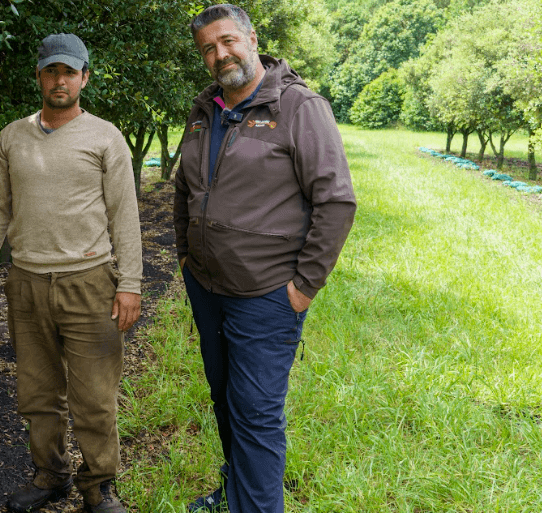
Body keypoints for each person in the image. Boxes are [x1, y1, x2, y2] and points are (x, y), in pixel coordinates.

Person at [174, 4, 357, 512]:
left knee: (255, 413)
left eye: (228, 40)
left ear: (252, 38)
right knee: (226, 401)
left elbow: (336, 201)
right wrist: (187, 257)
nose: (220, 54)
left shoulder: (298, 107)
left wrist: (302, 288)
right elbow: (185, 190)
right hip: (208, 289)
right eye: (208, 48)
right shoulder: (204, 109)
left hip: (268, 295)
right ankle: (237, 491)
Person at [0, 33, 142, 513]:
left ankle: (99, 486)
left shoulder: (105, 136)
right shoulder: (12, 137)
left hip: (89, 283)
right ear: (39, 76)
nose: (60, 80)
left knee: (93, 397)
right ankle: (50, 475)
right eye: (51, 71)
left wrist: (129, 283)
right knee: (37, 393)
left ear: (84, 77)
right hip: (25, 283)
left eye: (69, 72)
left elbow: (124, 214)